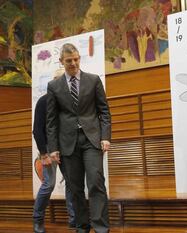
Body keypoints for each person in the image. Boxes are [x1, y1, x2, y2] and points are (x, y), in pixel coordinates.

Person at [46, 43, 111, 233]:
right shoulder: (54, 86)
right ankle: (82, 227)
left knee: (96, 183)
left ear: (79, 58)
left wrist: (105, 136)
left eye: (76, 59)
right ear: (61, 62)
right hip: (67, 144)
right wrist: (53, 148)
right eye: (69, 61)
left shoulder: (93, 80)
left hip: (92, 140)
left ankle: (100, 228)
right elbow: (51, 121)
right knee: (75, 189)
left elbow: (104, 112)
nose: (73, 63)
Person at [33, 93, 75, 233]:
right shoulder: (43, 101)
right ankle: (38, 219)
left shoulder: (69, 100)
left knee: (71, 181)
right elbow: (37, 129)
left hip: (66, 145)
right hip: (49, 147)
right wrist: (44, 154)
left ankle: (73, 219)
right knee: (49, 184)